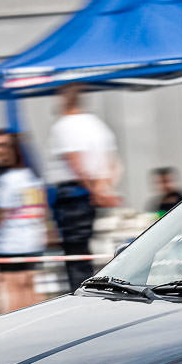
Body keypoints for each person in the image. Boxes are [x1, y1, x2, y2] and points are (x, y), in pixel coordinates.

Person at [47, 85, 121, 291]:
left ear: (65, 100)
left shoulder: (64, 126)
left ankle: (79, 291)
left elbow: (75, 162)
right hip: (91, 193)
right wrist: (104, 188)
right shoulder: (97, 125)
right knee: (85, 249)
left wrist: (94, 191)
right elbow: (113, 163)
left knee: (75, 252)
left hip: (73, 194)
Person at [0, 133, 48, 314]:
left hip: (9, 242)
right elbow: (43, 209)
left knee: (10, 288)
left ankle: (14, 323)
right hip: (32, 239)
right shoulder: (34, 178)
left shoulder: (7, 180)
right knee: (29, 286)